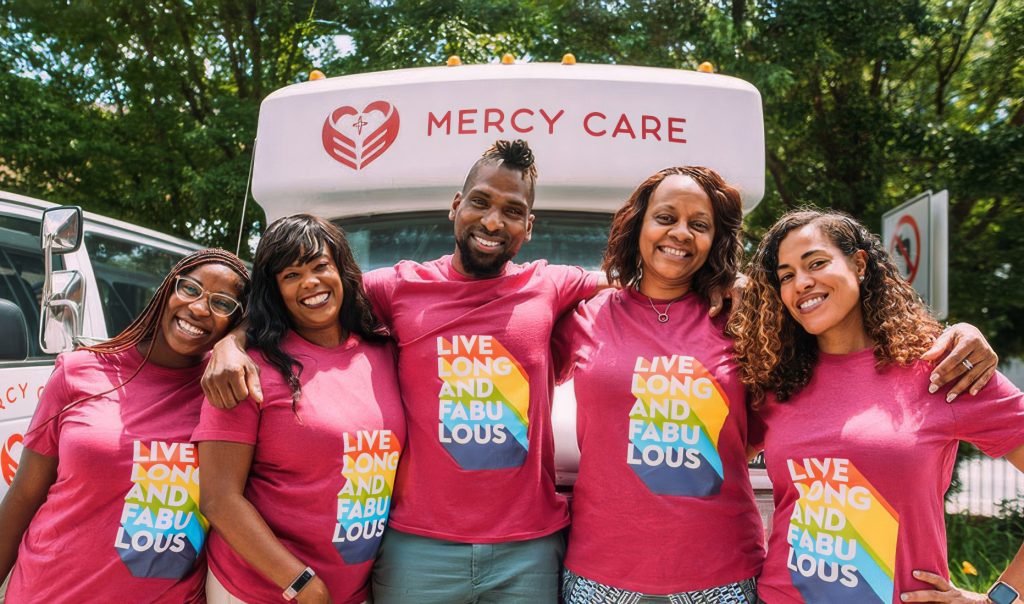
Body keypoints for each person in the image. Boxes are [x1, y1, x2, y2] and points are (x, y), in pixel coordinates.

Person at [201, 141, 992, 603]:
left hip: (618, 560)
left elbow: (834, 323)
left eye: (512, 211)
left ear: (529, 226)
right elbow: (306, 290)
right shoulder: (404, 287)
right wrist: (230, 337)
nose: (494, 221)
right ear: (457, 205)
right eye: (482, 203)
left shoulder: (694, 303)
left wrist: (950, 335)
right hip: (465, 554)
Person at [731, 209, 1024, 603]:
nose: (801, 282)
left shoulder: (944, 368)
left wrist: (1000, 599)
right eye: (785, 276)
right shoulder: (777, 383)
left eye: (816, 262)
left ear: (860, 263)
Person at [553, 166, 763, 602]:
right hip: (601, 574)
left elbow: (764, 428)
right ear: (639, 225)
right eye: (666, 217)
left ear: (715, 240)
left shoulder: (742, 320)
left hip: (719, 573)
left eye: (699, 224)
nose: (681, 233)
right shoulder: (587, 316)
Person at [0, 248, 249, 602]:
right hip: (48, 592)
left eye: (223, 304)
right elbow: (24, 495)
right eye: (190, 289)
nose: (198, 308)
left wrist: (235, 343)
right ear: (167, 290)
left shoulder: (227, 391)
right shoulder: (79, 371)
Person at [194, 215, 404, 604]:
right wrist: (302, 583)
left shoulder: (384, 351)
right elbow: (218, 499)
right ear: (275, 290)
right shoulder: (245, 370)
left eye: (320, 266)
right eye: (291, 275)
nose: (310, 282)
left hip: (353, 592)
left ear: (341, 269)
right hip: (262, 590)